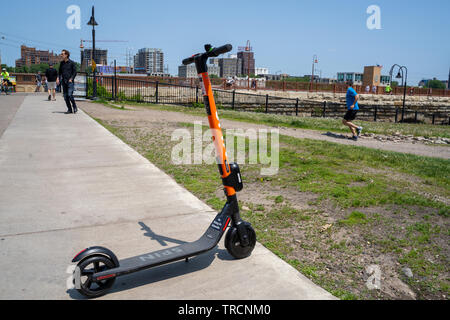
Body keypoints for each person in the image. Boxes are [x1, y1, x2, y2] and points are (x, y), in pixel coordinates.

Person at [57, 49, 78, 114]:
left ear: (66, 55)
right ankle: (69, 109)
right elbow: (59, 72)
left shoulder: (72, 63)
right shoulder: (61, 63)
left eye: (62, 54)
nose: (61, 55)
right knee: (65, 97)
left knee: (69, 95)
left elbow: (75, 72)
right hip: (64, 81)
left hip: (70, 82)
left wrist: (71, 78)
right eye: (61, 54)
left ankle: (74, 106)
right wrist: (58, 78)